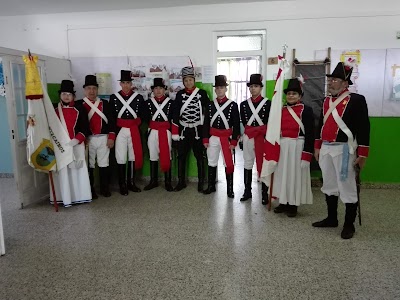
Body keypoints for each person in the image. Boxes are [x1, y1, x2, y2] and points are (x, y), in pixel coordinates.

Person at [312, 61, 370, 239]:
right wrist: (317, 146)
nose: (331, 83)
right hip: (326, 149)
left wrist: (363, 154)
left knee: (347, 186)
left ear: (345, 83)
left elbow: (364, 128)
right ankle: (331, 218)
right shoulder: (325, 101)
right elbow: (320, 125)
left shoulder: (356, 100)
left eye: (335, 80)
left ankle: (348, 224)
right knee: (329, 184)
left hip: (345, 150)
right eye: (330, 80)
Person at [262, 77, 314, 217]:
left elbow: (310, 133)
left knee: (294, 177)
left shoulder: (306, 110)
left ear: (300, 96)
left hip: (297, 146)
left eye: (294, 93)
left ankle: (293, 205)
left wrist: (307, 154)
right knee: (281, 175)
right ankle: (283, 202)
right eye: (289, 93)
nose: (291, 95)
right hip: (283, 147)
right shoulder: (280, 110)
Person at [50, 80, 91, 207]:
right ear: (60, 95)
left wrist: (76, 140)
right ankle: (64, 197)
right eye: (63, 94)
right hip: (60, 147)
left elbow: (85, 128)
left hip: (76, 145)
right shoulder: (54, 110)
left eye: (69, 94)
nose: (66, 96)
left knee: (76, 171)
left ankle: (79, 196)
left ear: (73, 96)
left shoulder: (80, 109)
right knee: (62, 173)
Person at [171, 66, 210, 192]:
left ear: (194, 80)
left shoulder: (202, 93)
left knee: (200, 156)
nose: (188, 82)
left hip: (197, 130)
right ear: (183, 82)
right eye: (186, 80)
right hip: (183, 131)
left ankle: (200, 182)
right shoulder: (179, 94)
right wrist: (175, 132)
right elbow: (175, 114)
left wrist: (205, 133)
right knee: (181, 156)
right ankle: (181, 182)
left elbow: (207, 113)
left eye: (190, 80)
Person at [77, 75, 116, 199]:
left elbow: (111, 121)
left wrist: (111, 137)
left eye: (94, 88)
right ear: (84, 90)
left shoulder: (105, 103)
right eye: (89, 88)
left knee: (104, 164)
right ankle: (90, 189)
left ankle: (105, 188)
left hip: (103, 138)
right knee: (89, 165)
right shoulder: (79, 104)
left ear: (97, 89)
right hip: (88, 139)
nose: (91, 91)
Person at [203, 75, 240, 198]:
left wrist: (234, 140)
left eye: (222, 87)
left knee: (228, 163)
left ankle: (230, 189)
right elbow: (206, 123)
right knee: (211, 161)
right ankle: (211, 185)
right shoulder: (209, 105)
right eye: (217, 88)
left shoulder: (233, 105)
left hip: (227, 137)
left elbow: (236, 125)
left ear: (226, 89)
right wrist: (205, 138)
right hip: (213, 136)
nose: (219, 90)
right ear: (215, 89)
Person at [110, 70, 145, 196]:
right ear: (120, 84)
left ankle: (131, 182)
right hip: (120, 130)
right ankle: (122, 184)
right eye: (123, 82)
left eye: (128, 83)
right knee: (120, 157)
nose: (125, 85)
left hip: (134, 129)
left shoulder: (139, 98)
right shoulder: (114, 98)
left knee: (132, 156)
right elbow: (112, 117)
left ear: (131, 84)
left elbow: (143, 115)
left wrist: (135, 123)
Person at [239, 74, 271, 204]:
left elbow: (269, 121)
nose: (253, 89)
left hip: (263, 137)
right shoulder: (243, 105)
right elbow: (244, 123)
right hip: (248, 136)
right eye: (251, 86)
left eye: (256, 86)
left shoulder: (268, 103)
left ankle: (264, 193)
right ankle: (247, 191)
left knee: (263, 164)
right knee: (247, 163)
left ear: (261, 87)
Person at [142, 78, 174, 191]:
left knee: (167, 155)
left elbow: (173, 118)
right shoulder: (148, 103)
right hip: (153, 131)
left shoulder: (171, 103)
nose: (158, 90)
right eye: (156, 88)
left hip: (166, 131)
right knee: (153, 155)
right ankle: (153, 181)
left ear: (164, 89)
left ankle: (168, 182)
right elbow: (145, 118)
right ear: (153, 90)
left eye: (160, 88)